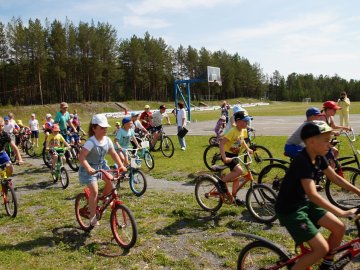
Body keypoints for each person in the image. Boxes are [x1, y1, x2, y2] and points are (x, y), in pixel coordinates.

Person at [275, 121, 360, 270]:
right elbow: (313, 195)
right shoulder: (302, 161)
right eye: (326, 140)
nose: (329, 144)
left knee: (339, 228)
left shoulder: (319, 157)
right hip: (290, 210)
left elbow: (335, 178)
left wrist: (359, 191)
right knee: (321, 249)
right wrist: (341, 212)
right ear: (311, 141)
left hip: (304, 203)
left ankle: (326, 266)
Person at [78, 114, 126, 226]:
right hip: (89, 169)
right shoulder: (91, 142)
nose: (104, 130)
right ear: (94, 129)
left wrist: (120, 165)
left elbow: (113, 153)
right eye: (101, 128)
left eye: (105, 128)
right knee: (94, 191)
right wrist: (89, 168)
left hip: (101, 166)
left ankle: (104, 199)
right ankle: (92, 216)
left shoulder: (107, 140)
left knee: (111, 180)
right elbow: (81, 157)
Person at [218, 111, 253, 205]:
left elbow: (242, 141)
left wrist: (248, 149)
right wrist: (224, 157)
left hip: (235, 155)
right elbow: (221, 143)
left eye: (247, 121)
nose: (247, 123)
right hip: (227, 154)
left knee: (236, 177)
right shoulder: (232, 131)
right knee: (239, 171)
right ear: (238, 122)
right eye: (245, 121)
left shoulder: (244, 130)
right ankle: (221, 182)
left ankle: (234, 198)